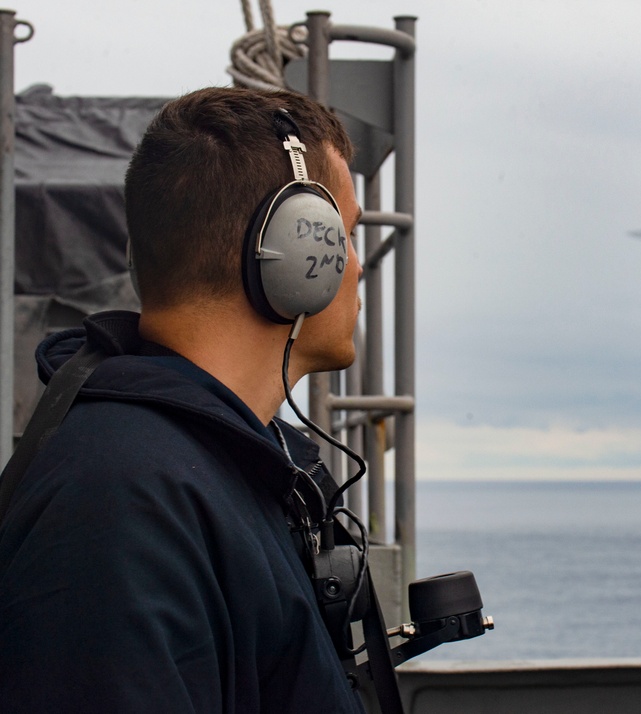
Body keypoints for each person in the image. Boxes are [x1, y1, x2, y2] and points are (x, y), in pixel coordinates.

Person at [0, 87, 367, 713]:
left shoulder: (200, 474)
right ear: (301, 256)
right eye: (347, 235)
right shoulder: (123, 504)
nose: (357, 268)